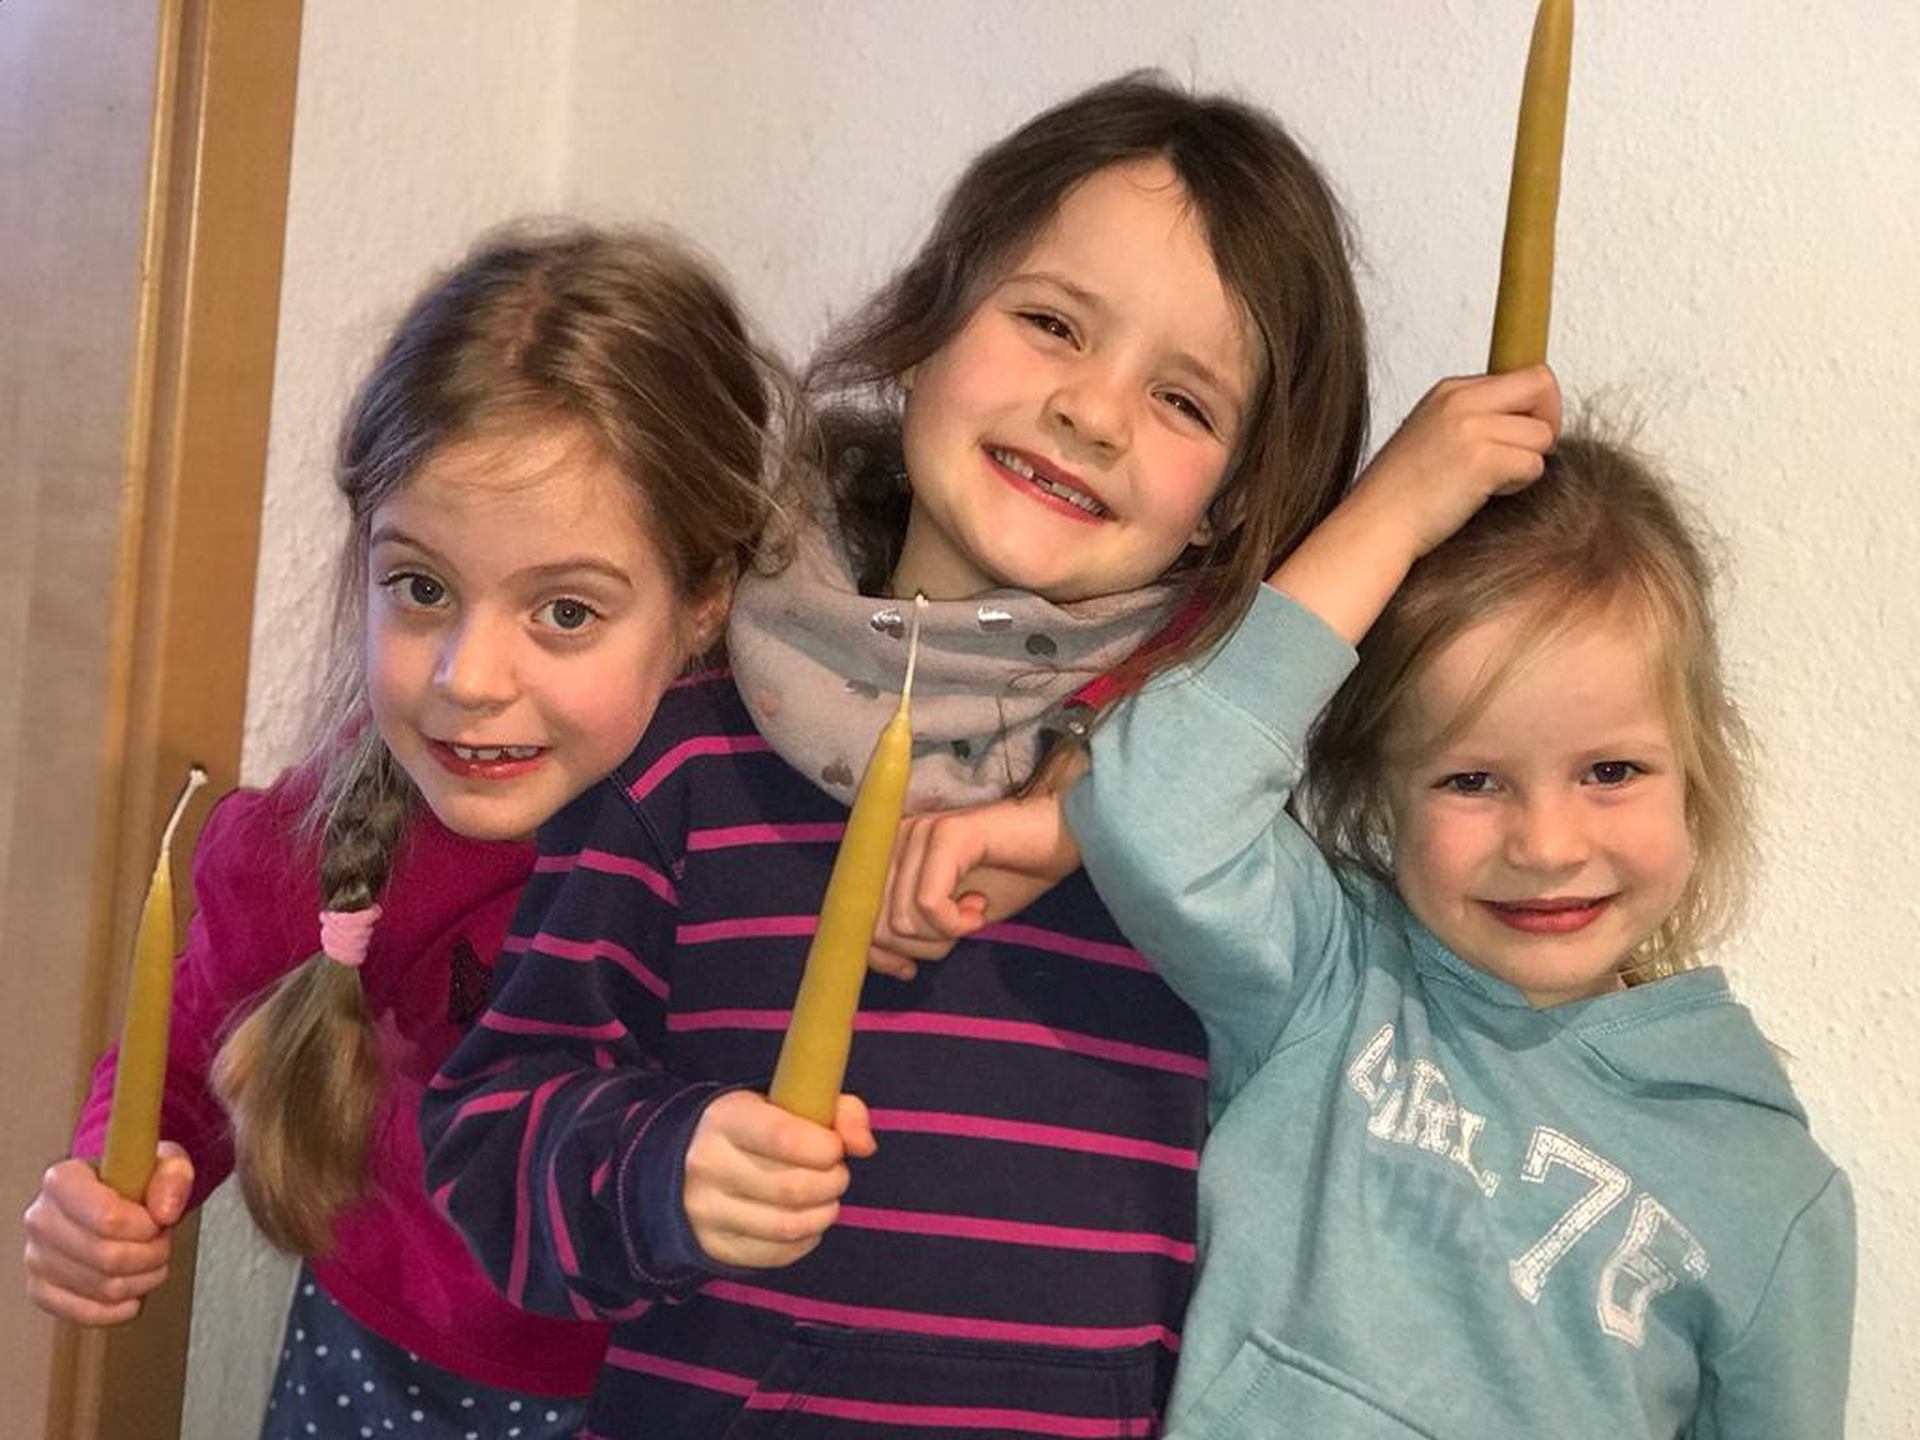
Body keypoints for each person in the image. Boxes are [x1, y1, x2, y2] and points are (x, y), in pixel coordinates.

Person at [421, 72, 1383, 1436]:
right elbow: (487, 1138)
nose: (1093, 412)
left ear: (1235, 501)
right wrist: (660, 1172)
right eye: (1052, 323)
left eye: (1184, 400)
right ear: (923, 331)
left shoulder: (1201, 834)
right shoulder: (684, 759)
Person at [878, 401, 1858, 1436]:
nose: (1547, 845)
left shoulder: (1773, 1198)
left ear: (1699, 770)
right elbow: (1154, 801)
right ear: (1381, 798)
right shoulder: (1331, 978)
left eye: (1611, 771)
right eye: (1472, 779)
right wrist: (1391, 515)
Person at [22, 225, 782, 1439]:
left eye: (566, 611)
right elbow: (184, 1048)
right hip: (370, 1380)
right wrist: (114, 1186)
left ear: (704, 599)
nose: (468, 679)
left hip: (667, 1395)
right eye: (422, 588)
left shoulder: (760, 862)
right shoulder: (310, 849)